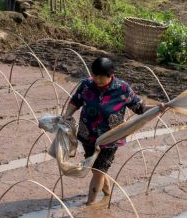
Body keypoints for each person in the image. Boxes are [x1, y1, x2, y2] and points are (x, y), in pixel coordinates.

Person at [63, 57, 148, 205]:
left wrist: (159, 107)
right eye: (95, 75)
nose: (97, 79)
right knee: (97, 169)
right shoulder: (87, 85)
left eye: (101, 77)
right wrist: (66, 116)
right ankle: (108, 193)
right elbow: (75, 101)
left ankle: (90, 204)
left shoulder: (122, 89)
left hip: (110, 138)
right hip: (88, 136)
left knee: (98, 171)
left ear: (111, 75)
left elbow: (139, 107)